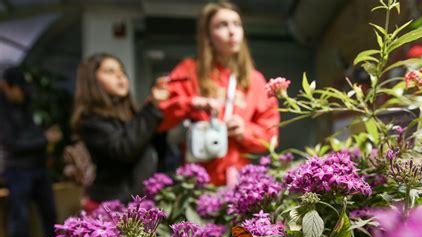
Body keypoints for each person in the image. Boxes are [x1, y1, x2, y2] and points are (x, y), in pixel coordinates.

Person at [155, 1, 280, 186]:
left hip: (238, 180)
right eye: (222, 25)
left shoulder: (255, 80)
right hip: (195, 180)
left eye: (236, 24)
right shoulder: (188, 72)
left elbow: (271, 136)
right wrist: (191, 103)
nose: (232, 31)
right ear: (207, 36)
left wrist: (244, 130)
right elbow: (158, 116)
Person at [71, 53, 163, 210]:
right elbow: (125, 149)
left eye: (121, 70)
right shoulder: (90, 120)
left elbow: (156, 151)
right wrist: (151, 110)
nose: (120, 75)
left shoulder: (132, 115)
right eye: (110, 71)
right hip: (114, 208)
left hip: (141, 204)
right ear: (92, 81)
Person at [0, 66, 59, 237]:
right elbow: (11, 143)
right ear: (6, 86)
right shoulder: (3, 111)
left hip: (38, 168)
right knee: (19, 221)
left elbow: (29, 134)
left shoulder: (25, 104)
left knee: (50, 216)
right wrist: (44, 139)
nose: (23, 93)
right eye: (19, 88)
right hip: (18, 172)